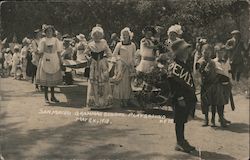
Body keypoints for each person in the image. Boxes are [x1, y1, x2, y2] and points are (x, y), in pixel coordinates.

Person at [168, 39, 197, 153]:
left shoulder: (183, 64)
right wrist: (179, 98)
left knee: (183, 119)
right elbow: (173, 85)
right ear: (178, 53)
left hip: (186, 97)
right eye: (185, 50)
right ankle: (179, 142)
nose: (187, 52)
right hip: (179, 98)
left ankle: (182, 140)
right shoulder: (174, 67)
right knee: (179, 120)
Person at [84, 26, 113, 109]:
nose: (97, 36)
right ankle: (94, 103)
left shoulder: (104, 43)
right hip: (93, 64)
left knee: (104, 81)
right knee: (94, 82)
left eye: (98, 35)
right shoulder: (90, 44)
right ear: (92, 36)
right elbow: (85, 53)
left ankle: (104, 102)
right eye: (95, 35)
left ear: (101, 35)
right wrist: (88, 58)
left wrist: (107, 58)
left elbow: (109, 53)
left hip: (102, 64)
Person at [36, 25, 63, 103]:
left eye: (50, 31)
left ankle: (53, 96)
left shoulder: (55, 40)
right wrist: (40, 58)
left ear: (53, 32)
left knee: (52, 80)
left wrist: (60, 60)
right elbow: (40, 51)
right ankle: (46, 97)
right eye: (47, 31)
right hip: (45, 60)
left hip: (54, 60)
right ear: (45, 32)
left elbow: (58, 51)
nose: (49, 33)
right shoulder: (43, 40)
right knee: (46, 80)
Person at [111, 27, 136, 107]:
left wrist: (133, 65)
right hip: (121, 66)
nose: (125, 36)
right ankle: (122, 100)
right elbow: (114, 55)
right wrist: (119, 61)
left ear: (129, 35)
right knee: (121, 83)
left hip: (130, 66)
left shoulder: (132, 45)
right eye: (123, 35)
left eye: (126, 35)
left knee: (129, 84)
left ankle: (128, 100)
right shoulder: (119, 44)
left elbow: (134, 55)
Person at [197, 44, 218, 127]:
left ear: (211, 53)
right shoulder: (200, 62)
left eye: (208, 52)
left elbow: (216, 72)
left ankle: (213, 119)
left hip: (213, 84)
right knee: (205, 103)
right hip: (205, 85)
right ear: (202, 52)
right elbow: (200, 73)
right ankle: (206, 119)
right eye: (205, 52)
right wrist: (206, 67)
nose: (207, 54)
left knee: (214, 103)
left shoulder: (213, 62)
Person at [213, 44, 232, 127]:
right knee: (219, 102)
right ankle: (220, 118)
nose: (220, 54)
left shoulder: (226, 61)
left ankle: (222, 117)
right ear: (216, 52)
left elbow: (229, 72)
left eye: (222, 52)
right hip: (218, 85)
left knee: (224, 101)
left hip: (226, 84)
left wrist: (230, 81)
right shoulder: (213, 62)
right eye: (218, 52)